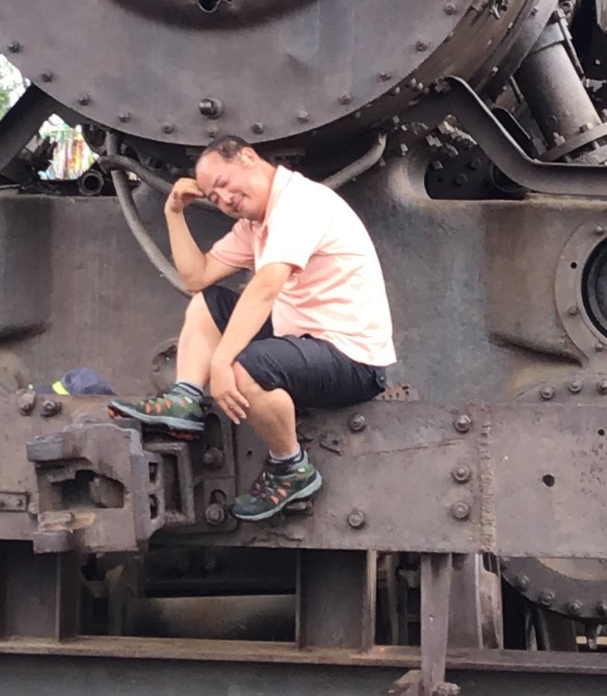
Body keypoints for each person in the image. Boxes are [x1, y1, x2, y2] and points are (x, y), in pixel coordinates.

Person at [109, 136, 395, 522]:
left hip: (352, 360)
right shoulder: (255, 225)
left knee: (247, 368)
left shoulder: (300, 203)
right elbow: (197, 276)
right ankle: (185, 398)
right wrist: (173, 212)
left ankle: (291, 467)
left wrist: (222, 362)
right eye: (214, 196)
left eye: (225, 184)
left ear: (248, 157)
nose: (224, 200)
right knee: (208, 303)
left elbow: (266, 286)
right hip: (303, 342)